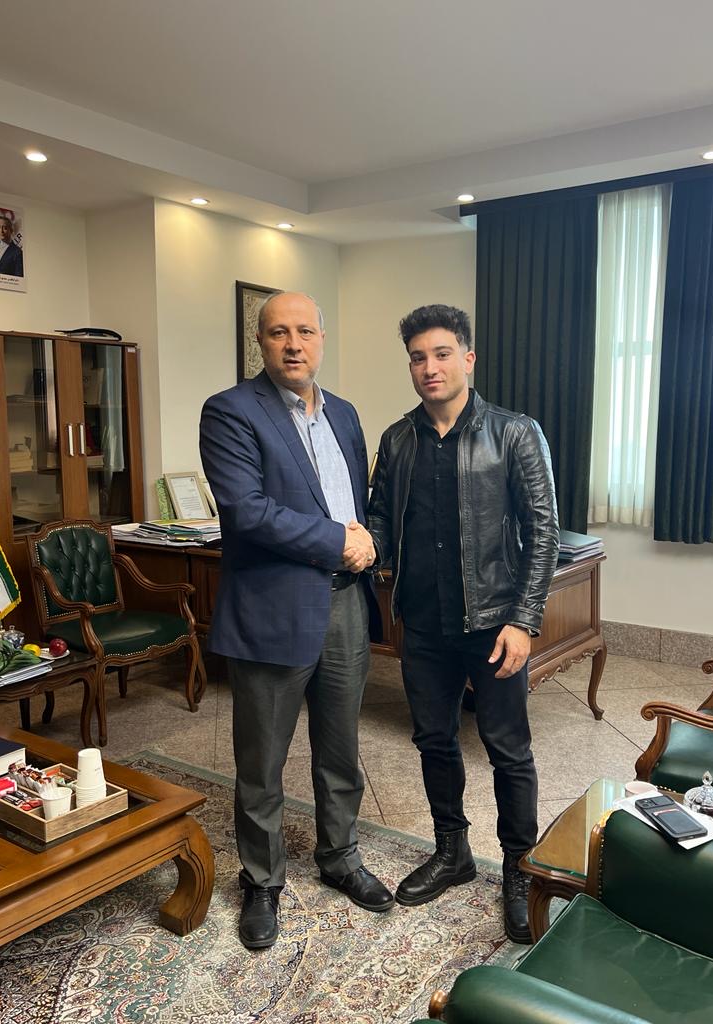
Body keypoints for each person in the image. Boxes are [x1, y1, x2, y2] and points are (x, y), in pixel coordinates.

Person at [200, 291, 393, 951]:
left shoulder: (344, 413)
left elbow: (358, 501)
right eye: (279, 332)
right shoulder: (231, 411)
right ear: (260, 341)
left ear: (322, 338)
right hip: (272, 609)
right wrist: (340, 540)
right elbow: (247, 510)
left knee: (341, 748)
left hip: (344, 604)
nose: (293, 344)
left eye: (305, 331)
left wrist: (367, 541)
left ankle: (340, 855)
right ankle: (262, 880)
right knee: (262, 760)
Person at [368, 304, 559, 943]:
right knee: (434, 741)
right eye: (418, 358)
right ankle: (452, 852)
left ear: (468, 359)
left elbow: (543, 532)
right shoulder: (397, 439)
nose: (430, 367)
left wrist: (524, 620)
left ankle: (521, 867)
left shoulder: (514, 433)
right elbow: (380, 519)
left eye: (442, 354)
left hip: (495, 624)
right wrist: (356, 545)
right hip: (423, 625)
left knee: (508, 749)